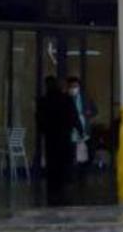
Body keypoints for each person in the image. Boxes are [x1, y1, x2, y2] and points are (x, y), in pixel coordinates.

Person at [35, 76, 81, 206]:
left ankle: (53, 190)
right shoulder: (66, 99)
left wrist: (43, 131)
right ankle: (64, 188)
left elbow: (39, 119)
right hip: (64, 136)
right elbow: (74, 116)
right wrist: (79, 129)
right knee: (64, 162)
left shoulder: (43, 101)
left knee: (52, 164)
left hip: (51, 137)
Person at [66, 77, 94, 175]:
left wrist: (88, 113)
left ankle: (82, 170)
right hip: (71, 128)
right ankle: (73, 169)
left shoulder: (85, 97)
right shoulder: (66, 98)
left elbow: (94, 110)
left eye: (76, 86)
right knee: (72, 150)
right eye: (72, 86)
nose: (74, 88)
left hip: (84, 126)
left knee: (85, 150)